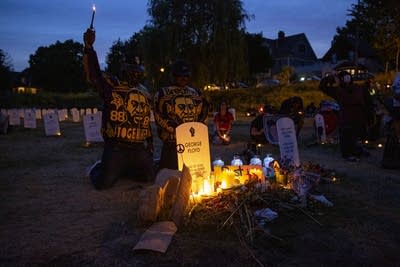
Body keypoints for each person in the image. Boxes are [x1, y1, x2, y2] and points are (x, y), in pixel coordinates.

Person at [83, 28, 155, 189]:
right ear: (124, 69)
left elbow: (145, 119)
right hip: (117, 147)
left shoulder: (144, 92)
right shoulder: (112, 85)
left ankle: (123, 169)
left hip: (138, 147)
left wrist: (149, 141)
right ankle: (100, 167)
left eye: (138, 71)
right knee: (104, 184)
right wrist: (89, 48)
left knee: (149, 177)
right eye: (131, 71)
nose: (135, 75)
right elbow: (95, 75)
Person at [154, 59, 209, 170]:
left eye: (186, 76)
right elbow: (158, 115)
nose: (183, 78)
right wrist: (177, 130)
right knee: (170, 174)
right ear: (173, 75)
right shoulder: (162, 93)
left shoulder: (196, 93)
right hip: (172, 142)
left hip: (194, 141)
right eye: (180, 75)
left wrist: (200, 126)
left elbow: (205, 110)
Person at [319, 71, 374, 162]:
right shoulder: (337, 90)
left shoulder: (359, 88)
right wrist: (331, 77)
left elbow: (368, 101)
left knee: (357, 135)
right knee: (346, 135)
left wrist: (370, 113)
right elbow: (322, 87)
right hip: (346, 116)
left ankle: (357, 150)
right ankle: (347, 154)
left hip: (359, 115)